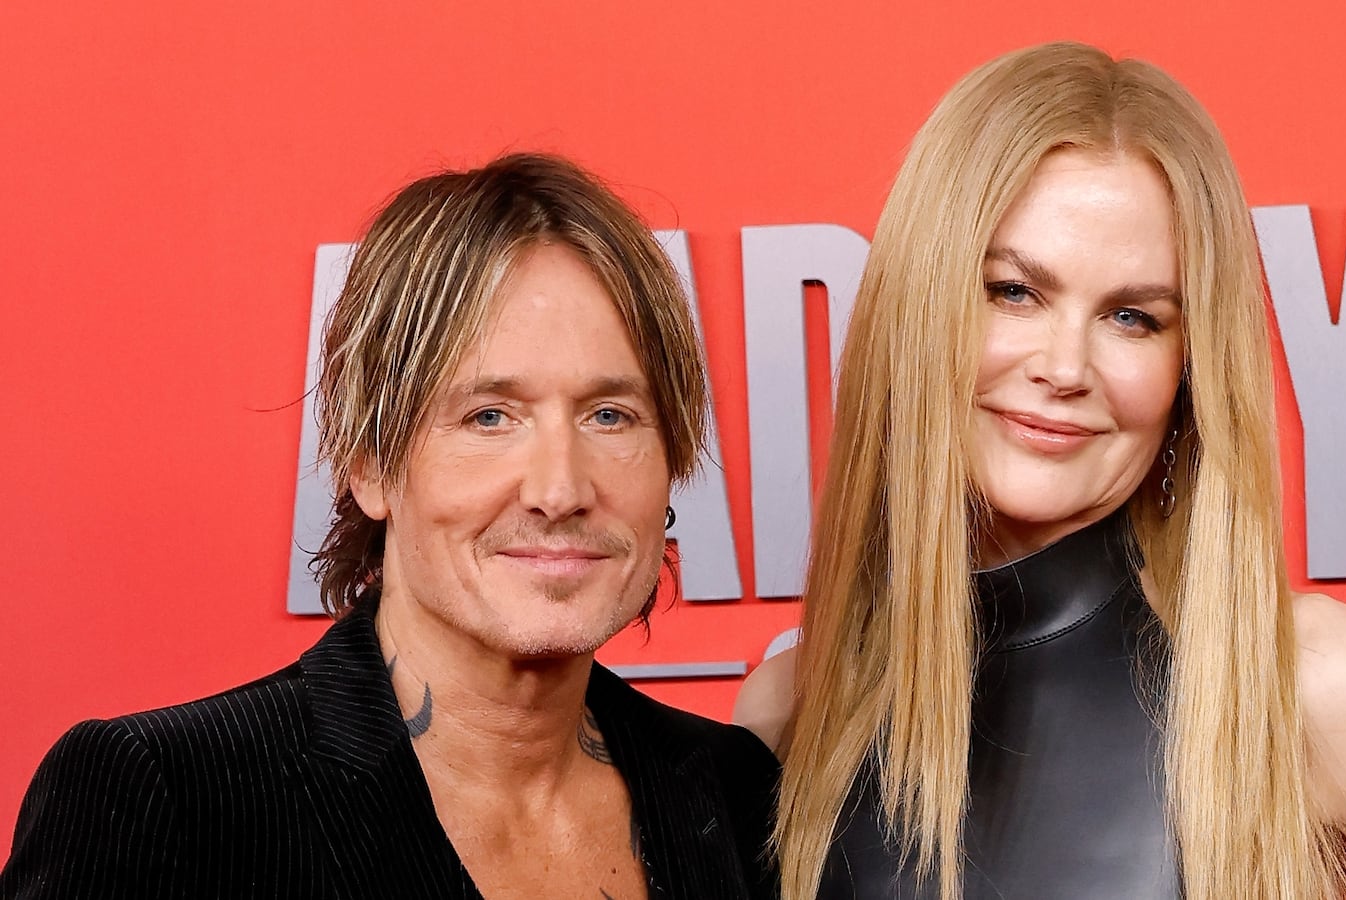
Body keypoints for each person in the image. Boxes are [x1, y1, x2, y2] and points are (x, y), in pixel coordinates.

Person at [733, 42, 1346, 899]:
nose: (1065, 366)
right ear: (919, 310)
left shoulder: (1316, 688)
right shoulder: (790, 717)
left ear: (1189, 374)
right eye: (1013, 291)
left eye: (1133, 317)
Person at [3, 153, 778, 899]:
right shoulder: (166, 798)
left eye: (610, 415)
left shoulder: (735, 792)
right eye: (489, 416)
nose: (559, 488)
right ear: (370, 461)